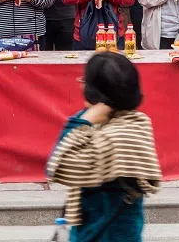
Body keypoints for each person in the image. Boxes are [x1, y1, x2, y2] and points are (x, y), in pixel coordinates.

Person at [45, 52, 162, 242]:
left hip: (109, 235)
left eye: (86, 81)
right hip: (90, 230)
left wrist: (83, 120)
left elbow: (59, 164)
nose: (81, 85)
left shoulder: (115, 134)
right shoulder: (131, 122)